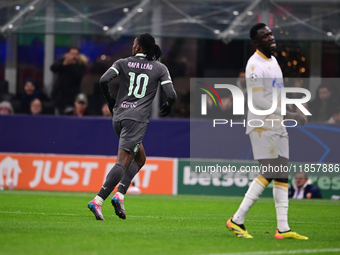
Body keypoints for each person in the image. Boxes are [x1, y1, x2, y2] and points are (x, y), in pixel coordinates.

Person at [226, 23, 308, 240]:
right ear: (256, 42)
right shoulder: (254, 65)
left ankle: (283, 228)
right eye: (265, 36)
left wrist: (289, 109)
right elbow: (258, 99)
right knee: (271, 170)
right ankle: (236, 220)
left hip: (276, 122)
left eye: (271, 34)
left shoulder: (273, 61)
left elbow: (275, 94)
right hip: (262, 124)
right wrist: (288, 114)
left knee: (281, 173)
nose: (271, 38)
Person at [87, 33, 177, 220]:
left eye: (134, 43)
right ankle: (98, 199)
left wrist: (111, 101)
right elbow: (172, 95)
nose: (132, 46)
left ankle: (119, 195)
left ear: (138, 48)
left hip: (119, 117)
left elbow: (104, 80)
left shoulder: (123, 63)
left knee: (140, 158)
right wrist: (168, 106)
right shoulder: (160, 68)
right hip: (136, 120)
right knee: (123, 162)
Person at [50, 46, 87, 114]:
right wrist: (63, 64)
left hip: (72, 97)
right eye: (72, 54)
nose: (74, 56)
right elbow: (52, 68)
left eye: (76, 54)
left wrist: (70, 64)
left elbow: (78, 75)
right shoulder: (62, 62)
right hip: (59, 96)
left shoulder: (81, 65)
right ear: (68, 54)